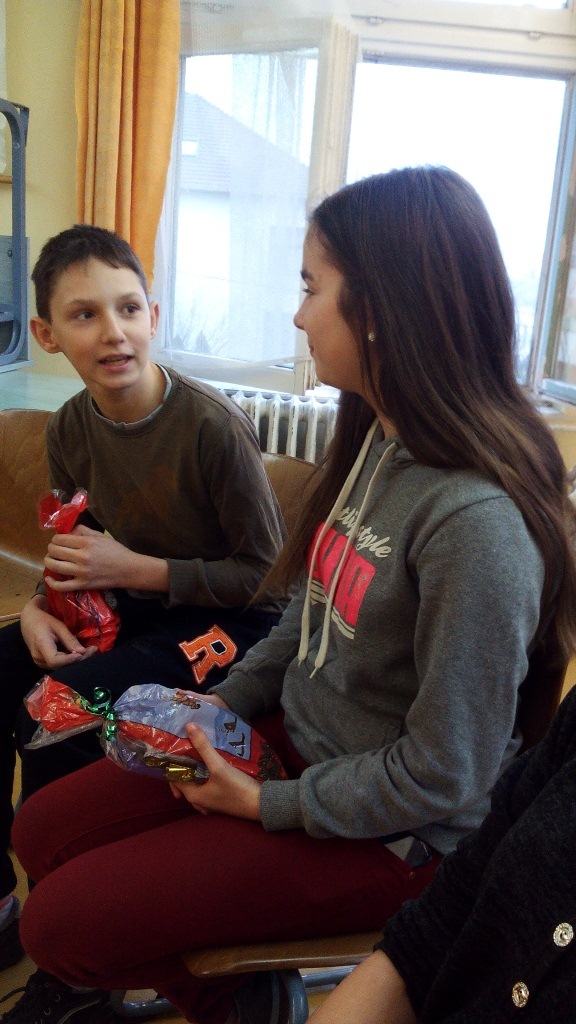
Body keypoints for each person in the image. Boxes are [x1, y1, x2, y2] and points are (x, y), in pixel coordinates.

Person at [5, 166, 576, 1024]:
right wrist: (220, 708)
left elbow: (444, 777)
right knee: (39, 832)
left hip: (389, 833)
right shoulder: (378, 439)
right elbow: (304, 615)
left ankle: (235, 1000)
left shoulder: (476, 523)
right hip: (294, 746)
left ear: (381, 309)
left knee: (57, 926)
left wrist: (264, 805)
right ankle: (243, 990)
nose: (298, 316)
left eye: (311, 288)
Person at [0, 225, 287, 977]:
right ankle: (7, 902)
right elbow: (76, 544)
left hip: (234, 622)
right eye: (84, 314)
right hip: (136, 606)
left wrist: (140, 569)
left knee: (57, 711)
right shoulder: (70, 428)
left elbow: (267, 579)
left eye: (128, 308)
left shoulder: (213, 427)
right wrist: (39, 605)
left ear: (153, 316)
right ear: (47, 335)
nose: (114, 331)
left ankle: (75, 934)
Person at [309, 681, 576, 1024]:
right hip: (323, 780)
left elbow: (440, 773)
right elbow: (441, 922)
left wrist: (272, 802)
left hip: (405, 835)